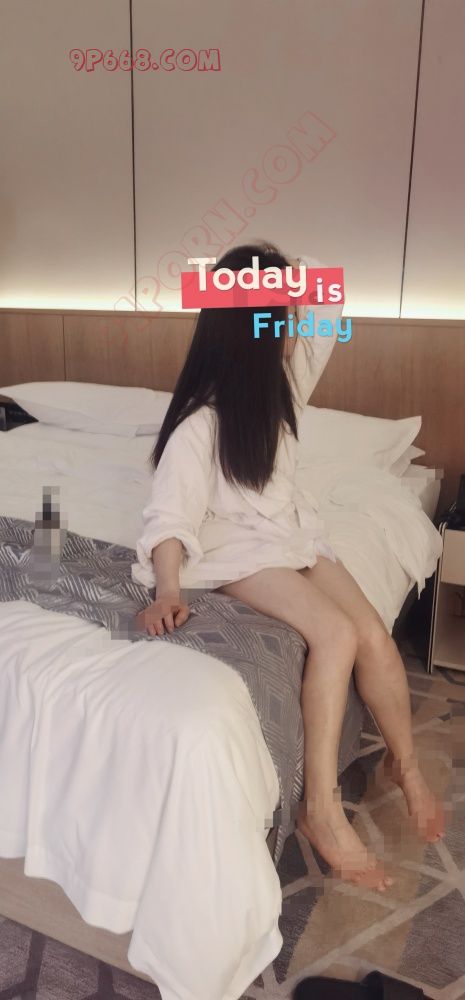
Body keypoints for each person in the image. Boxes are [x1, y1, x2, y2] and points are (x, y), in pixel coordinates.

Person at [133, 241, 445, 892]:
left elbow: (328, 307)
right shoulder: (197, 427)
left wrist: (277, 274)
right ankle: (319, 809)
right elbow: (169, 519)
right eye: (278, 317)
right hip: (237, 548)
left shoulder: (282, 391)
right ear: (248, 333)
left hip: (293, 536)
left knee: (373, 638)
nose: (292, 325)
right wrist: (167, 589)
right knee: (334, 635)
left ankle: (405, 764)